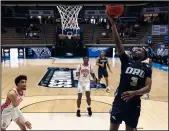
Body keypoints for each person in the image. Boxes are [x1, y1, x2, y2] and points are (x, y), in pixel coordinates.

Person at [107, 14, 152, 131]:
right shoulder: (127, 61)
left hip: (134, 104)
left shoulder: (146, 68)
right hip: (119, 101)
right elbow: (119, 44)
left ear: (144, 55)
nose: (137, 49)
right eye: (136, 48)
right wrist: (113, 25)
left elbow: (148, 88)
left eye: (140, 49)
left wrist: (134, 93)